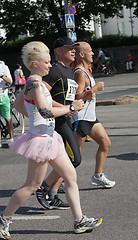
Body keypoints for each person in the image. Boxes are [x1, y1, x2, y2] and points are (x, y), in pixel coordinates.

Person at [0, 41, 102, 239]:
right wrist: (71, 109)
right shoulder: (35, 83)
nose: (49, 65)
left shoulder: (35, 81)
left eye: (49, 61)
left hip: (49, 137)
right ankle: (5, 218)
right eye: (46, 62)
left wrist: (34, 115)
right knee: (32, 185)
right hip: (40, 141)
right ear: (35, 63)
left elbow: (20, 104)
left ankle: (79, 220)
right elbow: (46, 111)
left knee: (70, 176)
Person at [36, 36, 93, 210]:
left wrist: (84, 96)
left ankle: (50, 194)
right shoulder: (54, 71)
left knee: (70, 160)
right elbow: (42, 97)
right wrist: (68, 108)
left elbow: (71, 96)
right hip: (57, 122)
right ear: (58, 51)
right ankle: (44, 188)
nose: (73, 50)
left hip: (67, 120)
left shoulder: (69, 71)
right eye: (69, 48)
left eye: (74, 48)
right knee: (74, 159)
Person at [72, 42, 116, 189]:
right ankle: (54, 183)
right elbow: (76, 96)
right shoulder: (79, 72)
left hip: (90, 117)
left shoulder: (86, 70)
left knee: (105, 143)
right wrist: (94, 89)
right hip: (81, 118)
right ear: (81, 54)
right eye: (89, 51)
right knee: (74, 157)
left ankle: (98, 176)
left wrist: (93, 89)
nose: (93, 53)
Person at [0, 61, 13, 148]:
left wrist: (1, 76)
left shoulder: (3, 66)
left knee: (8, 120)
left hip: (3, 96)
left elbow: (10, 81)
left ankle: (11, 139)